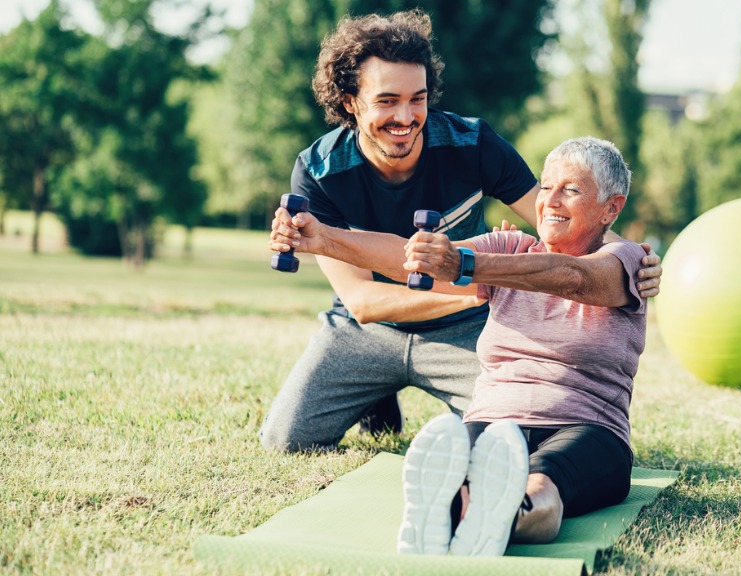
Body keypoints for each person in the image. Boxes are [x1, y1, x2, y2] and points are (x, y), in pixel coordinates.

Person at [258, 10, 661, 453]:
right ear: (351, 101)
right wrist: (480, 285)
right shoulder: (318, 171)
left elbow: (563, 221)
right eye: (387, 101)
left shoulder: (473, 144)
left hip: (467, 330)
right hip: (366, 332)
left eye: (417, 99)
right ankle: (374, 392)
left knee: (515, 444)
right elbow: (363, 302)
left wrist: (626, 260)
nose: (406, 116)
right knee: (285, 440)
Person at [269, 136, 646, 556]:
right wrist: (323, 238)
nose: (550, 200)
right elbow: (410, 257)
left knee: (542, 481)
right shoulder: (509, 248)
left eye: (571, 190)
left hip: (587, 426)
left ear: (611, 208)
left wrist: (468, 265)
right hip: (495, 419)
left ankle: (503, 518)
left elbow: (574, 277)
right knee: (457, 476)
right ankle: (452, 516)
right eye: (545, 186)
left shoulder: (627, 260)